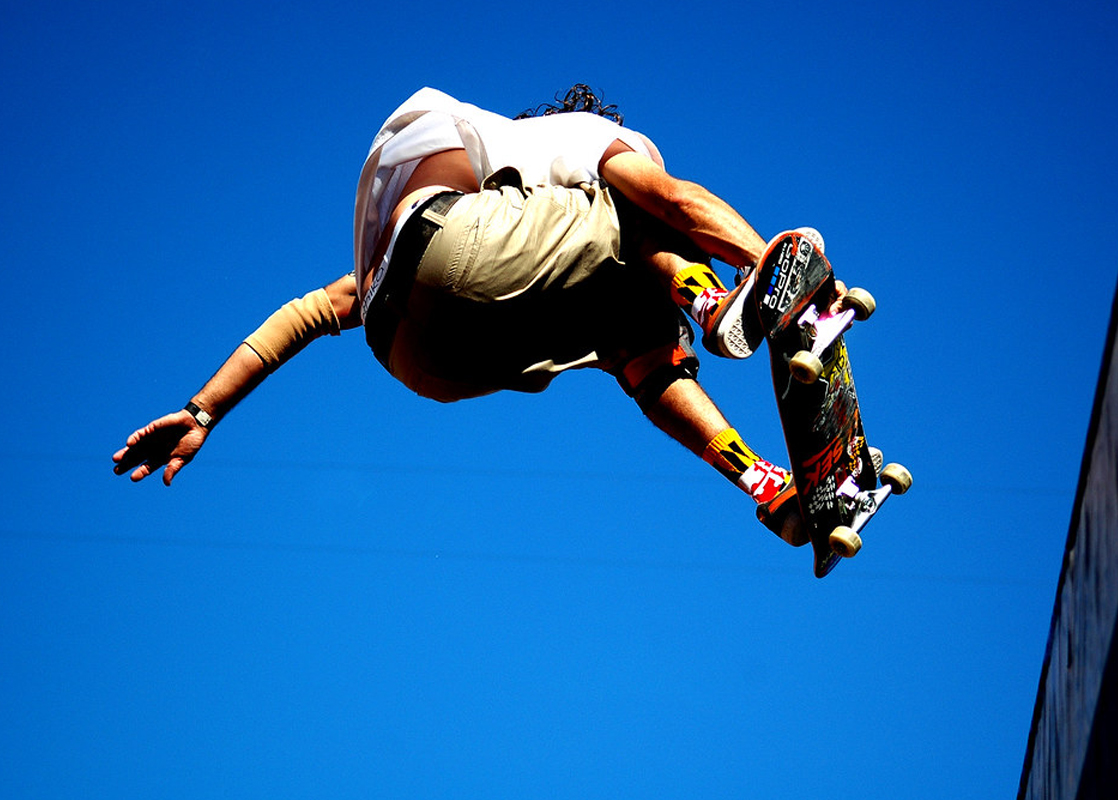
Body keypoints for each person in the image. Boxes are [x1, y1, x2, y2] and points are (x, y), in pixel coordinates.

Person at [112, 85, 836, 562]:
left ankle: (767, 485)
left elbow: (310, 314)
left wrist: (202, 409)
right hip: (458, 252)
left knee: (633, 335)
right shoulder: (577, 136)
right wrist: (780, 276)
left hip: (412, 352)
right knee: (638, 222)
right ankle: (713, 301)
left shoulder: (484, 181)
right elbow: (672, 198)